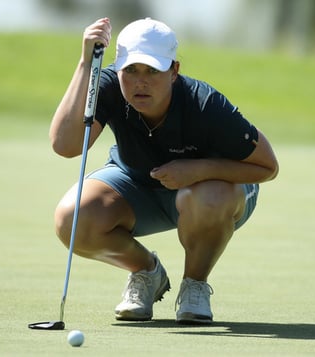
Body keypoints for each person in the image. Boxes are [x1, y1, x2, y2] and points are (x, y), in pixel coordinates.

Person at [50, 18, 278, 324]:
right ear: (118, 69)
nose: (140, 82)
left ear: (174, 71)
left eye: (152, 71)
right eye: (130, 70)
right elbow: (66, 145)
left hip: (213, 195)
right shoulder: (106, 87)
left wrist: (198, 170)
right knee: (72, 219)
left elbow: (267, 167)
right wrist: (84, 65)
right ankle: (146, 272)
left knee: (210, 196)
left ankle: (195, 284)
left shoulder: (205, 103)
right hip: (137, 184)